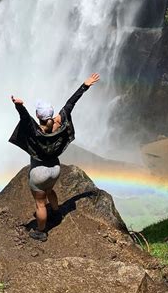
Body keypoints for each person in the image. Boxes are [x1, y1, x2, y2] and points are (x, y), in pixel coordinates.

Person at [9, 73, 100, 241]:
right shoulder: (60, 123)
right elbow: (71, 103)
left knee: (40, 203)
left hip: (39, 172)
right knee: (50, 190)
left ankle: (41, 231)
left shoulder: (35, 130)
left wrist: (19, 106)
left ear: (38, 116)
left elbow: (24, 117)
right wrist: (84, 86)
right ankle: (57, 212)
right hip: (55, 168)